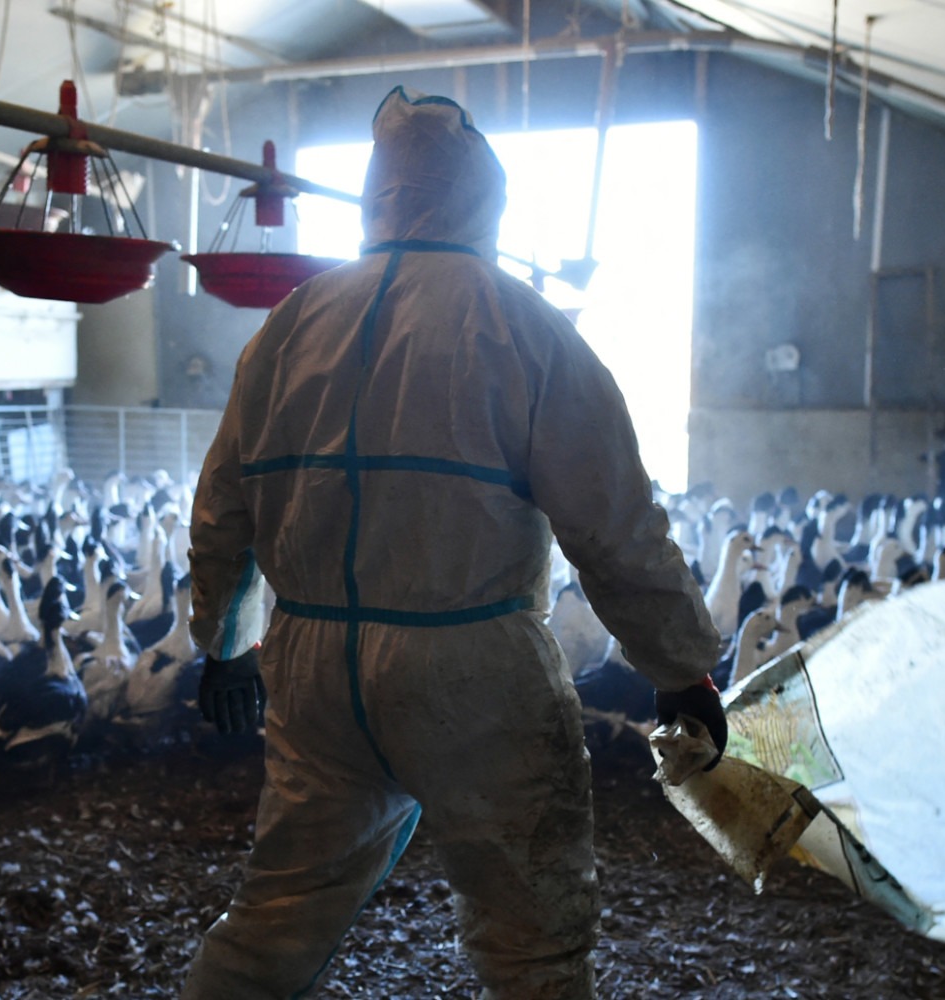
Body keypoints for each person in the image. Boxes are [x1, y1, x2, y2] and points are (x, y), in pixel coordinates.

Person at [182, 87, 728, 1000]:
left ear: (375, 195)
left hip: (313, 667)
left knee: (277, 912)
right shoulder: (521, 325)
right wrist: (680, 667)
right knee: (531, 932)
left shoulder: (288, 326)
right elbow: (614, 524)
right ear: (484, 199)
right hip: (472, 665)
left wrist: (225, 642)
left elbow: (221, 507)